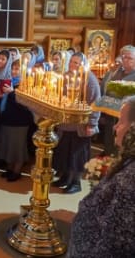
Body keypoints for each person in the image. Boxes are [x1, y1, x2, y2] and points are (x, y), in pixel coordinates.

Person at [67, 96, 135, 257]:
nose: (115, 127)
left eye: (121, 122)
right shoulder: (129, 161)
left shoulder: (131, 180)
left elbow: (117, 240)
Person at [52, 52, 101, 193]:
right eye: (71, 62)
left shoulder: (90, 79)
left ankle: (76, 182)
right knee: (64, 152)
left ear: (83, 64)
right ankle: (66, 177)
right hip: (66, 123)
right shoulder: (66, 76)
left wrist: (92, 124)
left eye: (76, 63)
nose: (72, 65)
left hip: (81, 125)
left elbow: (95, 103)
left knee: (77, 155)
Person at [0, 60, 34, 181]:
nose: (14, 71)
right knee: (8, 146)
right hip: (8, 119)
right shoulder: (10, 82)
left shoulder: (26, 84)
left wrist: (11, 93)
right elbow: (6, 102)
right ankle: (9, 168)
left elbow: (24, 104)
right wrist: (1, 95)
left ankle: (17, 171)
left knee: (17, 148)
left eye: (17, 69)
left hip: (19, 121)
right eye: (13, 68)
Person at [100, 45, 135, 155]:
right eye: (123, 57)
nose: (125, 60)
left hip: (127, 117)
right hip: (111, 113)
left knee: (123, 144)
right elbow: (106, 90)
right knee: (109, 141)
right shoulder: (116, 72)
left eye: (129, 58)